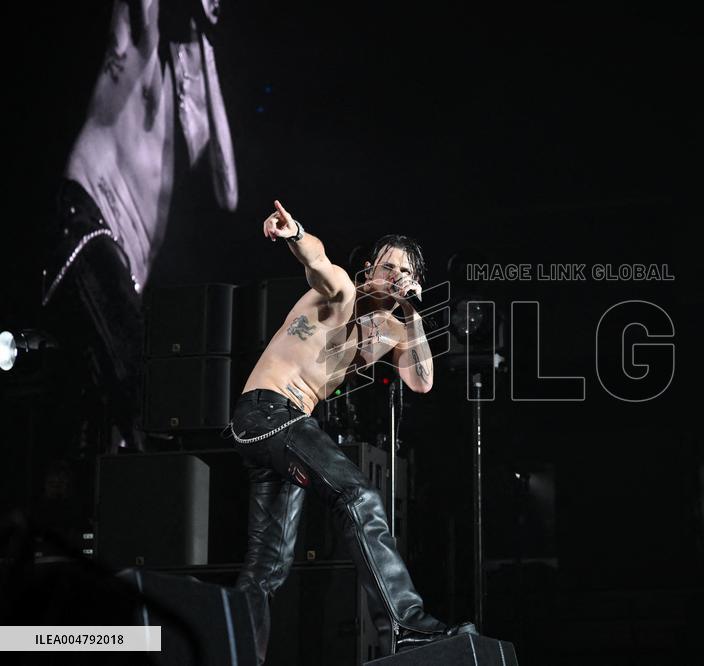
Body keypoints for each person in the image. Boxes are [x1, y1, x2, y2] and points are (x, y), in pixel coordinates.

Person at [228, 200, 474, 662]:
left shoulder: (390, 329)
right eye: (388, 266)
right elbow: (317, 258)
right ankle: (408, 624)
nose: (395, 275)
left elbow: (421, 382)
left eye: (404, 270)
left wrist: (412, 311)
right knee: (359, 496)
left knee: (267, 569)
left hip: (282, 428)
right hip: (266, 411)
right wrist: (295, 231)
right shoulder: (342, 290)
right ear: (369, 268)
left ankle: (235, 651)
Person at [41, 0, 238, 453]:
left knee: (109, 425)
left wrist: (205, 51)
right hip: (87, 228)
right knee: (143, 389)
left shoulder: (186, 101)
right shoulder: (139, 43)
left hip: (120, 272)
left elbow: (227, 190)